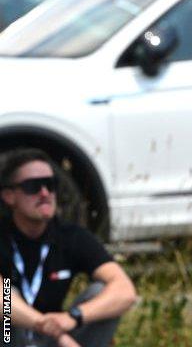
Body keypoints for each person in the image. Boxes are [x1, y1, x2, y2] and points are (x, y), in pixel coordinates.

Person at [0, 149, 137, 347]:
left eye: (50, 185)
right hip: (11, 336)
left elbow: (125, 291)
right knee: (7, 292)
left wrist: (74, 317)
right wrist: (48, 327)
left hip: (56, 333)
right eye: (33, 187)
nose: (44, 193)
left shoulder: (71, 236)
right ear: (9, 196)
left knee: (101, 292)